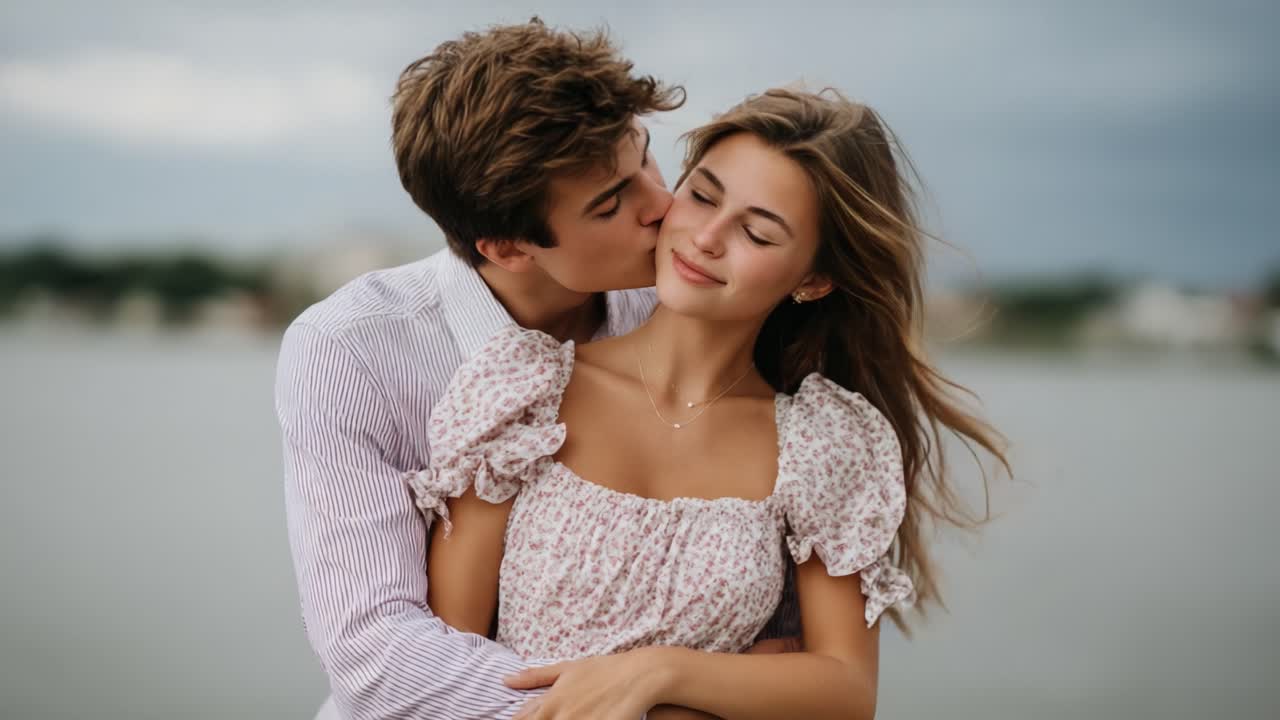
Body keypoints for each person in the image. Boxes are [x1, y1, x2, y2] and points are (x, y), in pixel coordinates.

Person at [413, 87, 1010, 719]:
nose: (706, 238)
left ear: (813, 278)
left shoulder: (823, 444)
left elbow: (846, 692)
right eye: (701, 196)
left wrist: (660, 672)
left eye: (756, 232)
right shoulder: (523, 394)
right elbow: (449, 659)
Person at [275, 19, 797, 720]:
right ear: (509, 248)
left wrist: (660, 678)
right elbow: (377, 656)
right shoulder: (350, 352)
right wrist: (636, 705)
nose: (661, 206)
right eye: (611, 203)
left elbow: (789, 639)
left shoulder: (699, 307)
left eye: (643, 158)